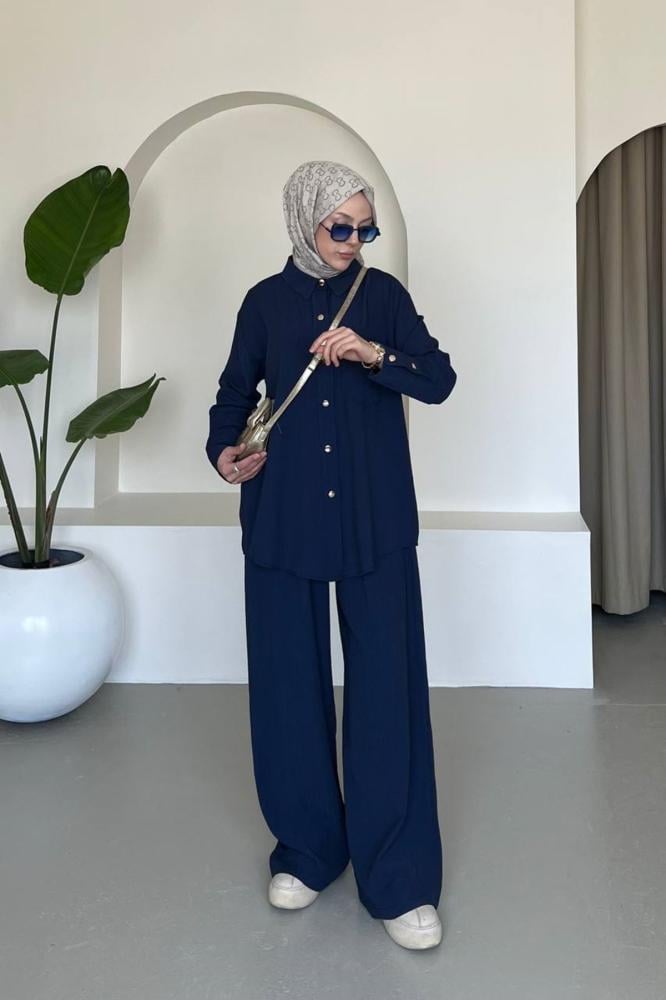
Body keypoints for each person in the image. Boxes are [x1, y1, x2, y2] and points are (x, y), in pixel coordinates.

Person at [205, 160, 457, 950]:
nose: (353, 241)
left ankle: (400, 876)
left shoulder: (383, 298)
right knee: (286, 685)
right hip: (282, 516)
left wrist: (375, 355)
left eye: (364, 228)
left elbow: (439, 380)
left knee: (387, 690)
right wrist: (224, 453)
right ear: (303, 219)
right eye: (339, 226)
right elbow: (232, 397)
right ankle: (308, 849)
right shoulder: (263, 303)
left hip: (374, 518)